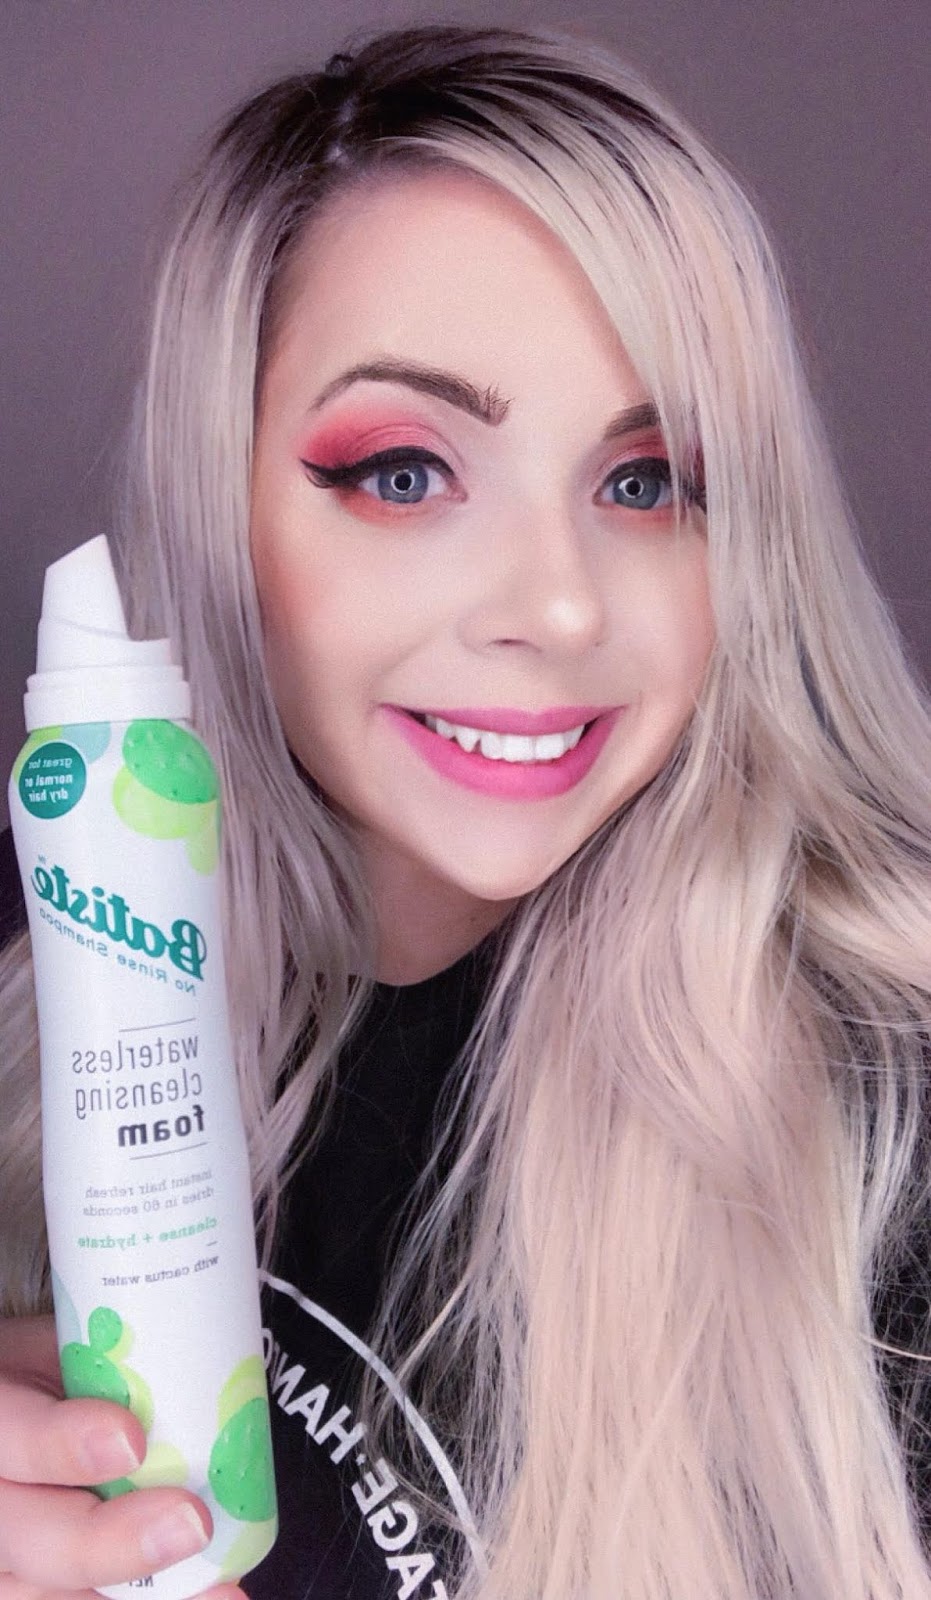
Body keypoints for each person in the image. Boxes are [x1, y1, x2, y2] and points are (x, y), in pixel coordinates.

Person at [1, 23, 931, 1600]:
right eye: (407, 474)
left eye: (646, 482)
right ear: (220, 505)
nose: (560, 609)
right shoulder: (59, 943)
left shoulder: (877, 1119)